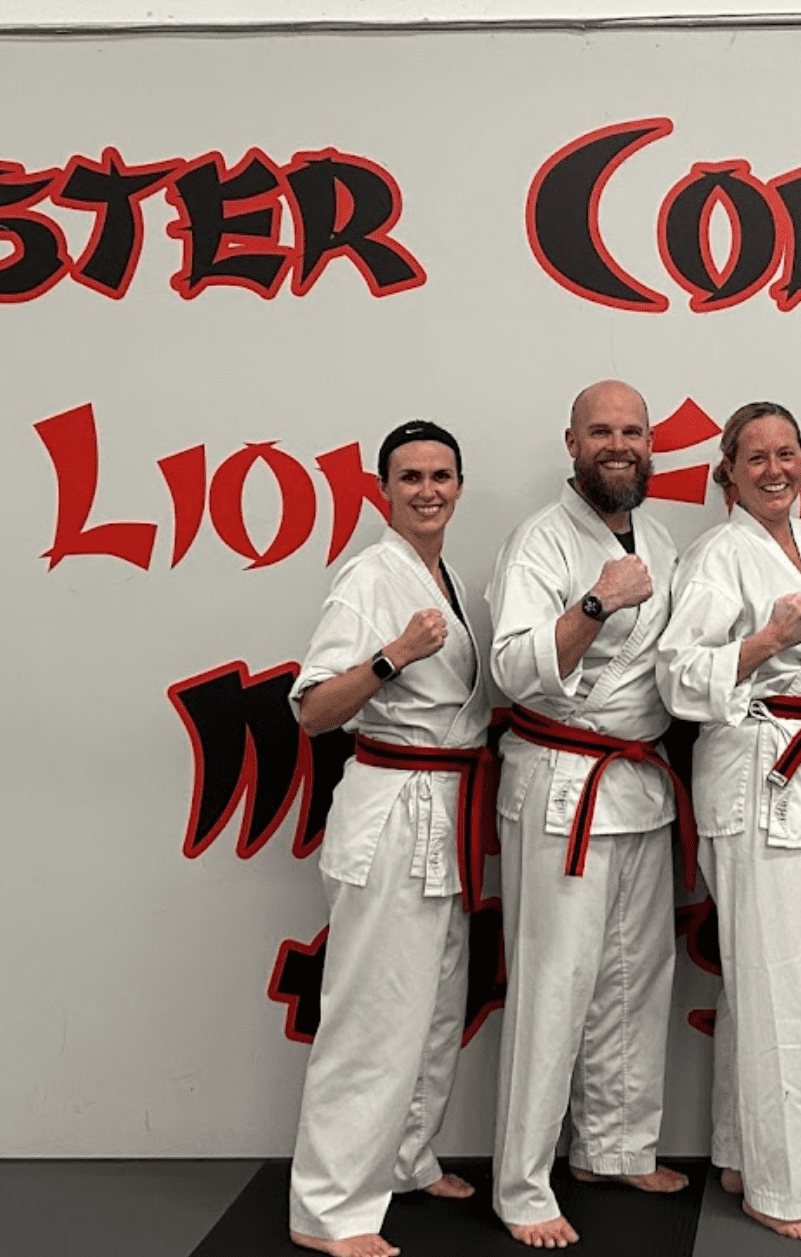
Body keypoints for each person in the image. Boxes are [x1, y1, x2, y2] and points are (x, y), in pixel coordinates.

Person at [485, 380, 691, 1249]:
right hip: (562, 784)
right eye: (601, 431)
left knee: (634, 978)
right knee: (554, 986)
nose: (620, 445)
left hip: (638, 783)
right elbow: (512, 670)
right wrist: (598, 601)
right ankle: (523, 1182)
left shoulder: (665, 539)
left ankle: (614, 1146)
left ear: (651, 443)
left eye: (634, 431)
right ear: (570, 443)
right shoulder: (539, 540)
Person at [657, 401, 801, 1242]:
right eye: (757, 458)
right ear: (729, 471)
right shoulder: (716, 555)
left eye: (788, 453)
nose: (775, 469)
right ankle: (779, 1188)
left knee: (768, 984)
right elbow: (678, 677)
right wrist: (762, 643)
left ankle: (742, 1153)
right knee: (776, 988)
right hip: (755, 772)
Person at [286, 420, 490, 1257]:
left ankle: (407, 1156)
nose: (428, 490)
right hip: (393, 805)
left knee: (435, 1007)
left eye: (441, 475)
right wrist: (392, 657)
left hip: (446, 806)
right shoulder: (370, 576)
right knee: (373, 1016)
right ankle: (329, 1212)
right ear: (382, 490)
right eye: (410, 477)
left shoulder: (443, 574)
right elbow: (311, 712)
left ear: (459, 487)